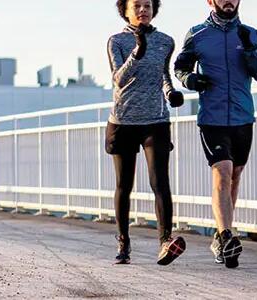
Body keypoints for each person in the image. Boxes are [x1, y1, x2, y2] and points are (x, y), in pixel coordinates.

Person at [173, 0, 257, 269]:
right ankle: (228, 235)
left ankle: (220, 236)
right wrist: (189, 80)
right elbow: (180, 67)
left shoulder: (251, 34)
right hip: (212, 117)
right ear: (210, 1)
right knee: (223, 171)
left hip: (242, 117)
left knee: (235, 175)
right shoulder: (197, 34)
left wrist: (251, 50)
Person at [105, 0, 186, 265]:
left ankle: (165, 241)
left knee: (159, 180)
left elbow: (163, 74)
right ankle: (123, 244)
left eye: (147, 6)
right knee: (124, 184)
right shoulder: (116, 41)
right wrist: (137, 52)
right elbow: (118, 78)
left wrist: (171, 93)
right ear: (125, 11)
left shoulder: (165, 41)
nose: (143, 10)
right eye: (137, 6)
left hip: (156, 120)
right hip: (125, 120)